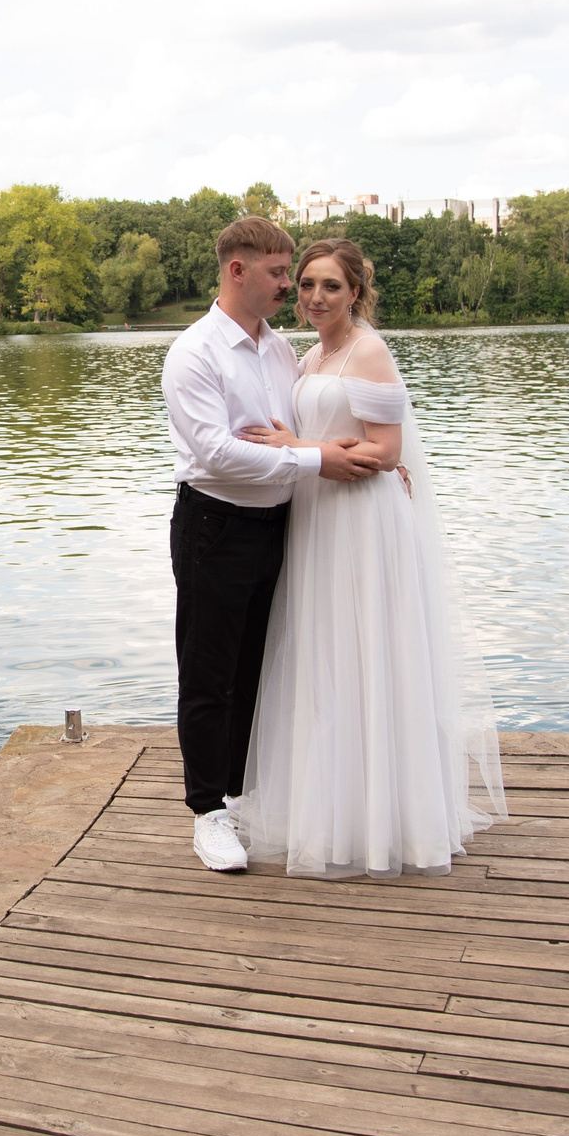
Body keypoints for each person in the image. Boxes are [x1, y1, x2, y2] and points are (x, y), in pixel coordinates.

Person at [234, 239, 505, 877]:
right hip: (318, 516)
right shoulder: (309, 356)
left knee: (369, 652)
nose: (315, 296)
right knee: (325, 654)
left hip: (361, 519)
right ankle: (334, 809)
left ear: (356, 292)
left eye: (331, 285)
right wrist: (305, 447)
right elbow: (332, 441)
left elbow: (386, 452)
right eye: (306, 284)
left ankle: (389, 818)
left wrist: (297, 444)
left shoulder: (369, 351)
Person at [161, 217, 376, 874]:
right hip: (215, 526)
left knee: (259, 667)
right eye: (280, 273)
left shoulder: (282, 350)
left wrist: (376, 460)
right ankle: (207, 811)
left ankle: (240, 793)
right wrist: (319, 461)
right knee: (210, 674)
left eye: (291, 273)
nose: (291, 286)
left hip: (280, 525)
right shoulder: (195, 353)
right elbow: (218, 453)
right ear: (238, 271)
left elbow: (302, 426)